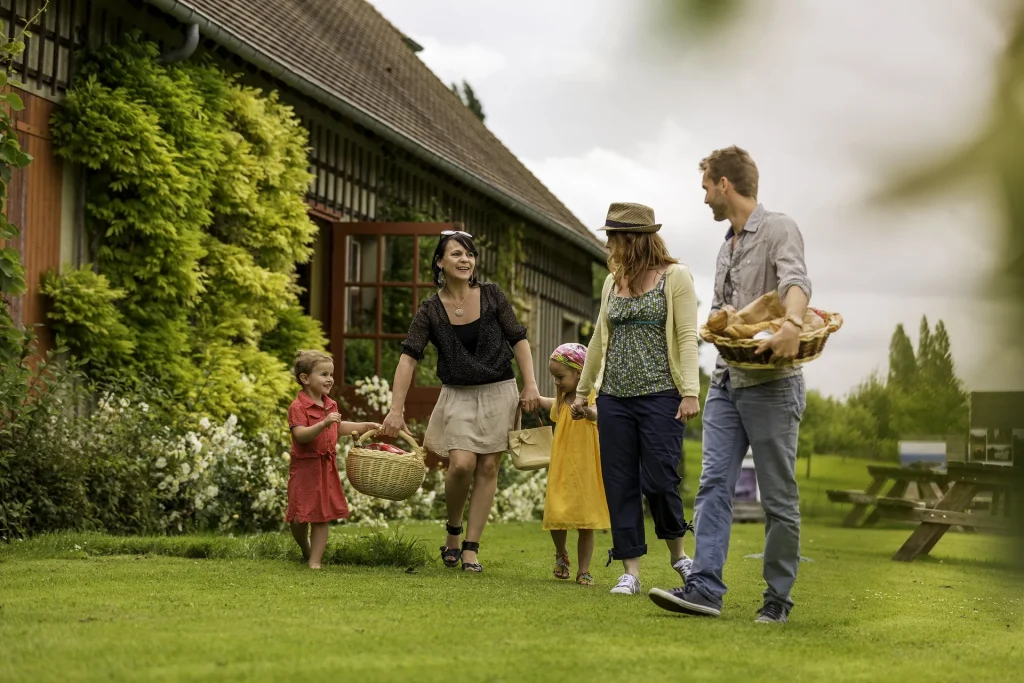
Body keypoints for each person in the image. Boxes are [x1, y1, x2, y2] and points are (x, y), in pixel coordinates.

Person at [648, 146, 811, 624]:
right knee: (713, 484)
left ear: (724, 184)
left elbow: (796, 282)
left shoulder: (779, 228)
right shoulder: (726, 247)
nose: (703, 199)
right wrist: (717, 323)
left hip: (773, 385)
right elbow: (726, 312)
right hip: (726, 382)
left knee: (778, 497)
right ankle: (704, 588)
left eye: (705, 187)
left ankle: (777, 599)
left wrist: (793, 324)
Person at [381, 230, 541, 573]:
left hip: (500, 390)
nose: (465, 260)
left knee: (488, 467)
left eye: (469, 254)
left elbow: (519, 340)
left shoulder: (492, 296)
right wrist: (396, 409)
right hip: (457, 394)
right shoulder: (430, 309)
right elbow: (408, 358)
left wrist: (531, 385)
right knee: (462, 465)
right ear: (440, 262)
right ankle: (453, 530)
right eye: (456, 254)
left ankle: (471, 548)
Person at [574, 202, 701, 596]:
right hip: (614, 398)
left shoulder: (675, 277)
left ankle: (679, 555)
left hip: (662, 395)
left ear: (635, 239)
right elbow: (598, 338)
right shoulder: (613, 282)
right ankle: (630, 570)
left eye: (614, 237)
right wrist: (583, 390)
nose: (610, 245)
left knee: (661, 477)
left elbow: (686, 336)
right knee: (620, 482)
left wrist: (691, 391)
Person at [287, 350, 378, 569]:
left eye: (331, 374)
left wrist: (365, 426)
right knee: (299, 518)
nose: (330, 379)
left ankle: (315, 561)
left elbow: (339, 427)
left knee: (321, 515)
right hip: (305, 467)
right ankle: (305, 548)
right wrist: (323, 424)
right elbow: (300, 435)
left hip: (325, 468)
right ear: (305, 378)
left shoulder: (331, 404)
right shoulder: (298, 407)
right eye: (324, 374)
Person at [537, 342, 611, 587]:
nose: (557, 382)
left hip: (585, 469)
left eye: (560, 377)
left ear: (579, 373)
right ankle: (561, 553)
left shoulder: (590, 398)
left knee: (585, 521)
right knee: (557, 514)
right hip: (561, 468)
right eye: (554, 378)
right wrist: (537, 399)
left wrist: (587, 412)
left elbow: (598, 413)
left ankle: (584, 570)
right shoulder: (561, 400)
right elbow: (553, 405)